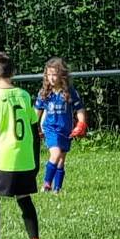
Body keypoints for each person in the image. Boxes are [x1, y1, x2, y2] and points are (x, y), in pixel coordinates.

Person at [0, 52, 41, 239]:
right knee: (23, 196)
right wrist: (35, 158)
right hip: (25, 157)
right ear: (12, 73)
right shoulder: (24, 95)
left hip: (4, 158)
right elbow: (34, 129)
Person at [34, 57, 87, 194]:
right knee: (56, 153)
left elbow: (79, 109)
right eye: (49, 74)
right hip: (50, 128)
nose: (51, 78)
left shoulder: (69, 92)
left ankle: (57, 189)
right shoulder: (44, 93)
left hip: (66, 129)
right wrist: (35, 127)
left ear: (62, 75)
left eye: (54, 74)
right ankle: (46, 184)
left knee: (61, 159)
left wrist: (81, 123)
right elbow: (36, 112)